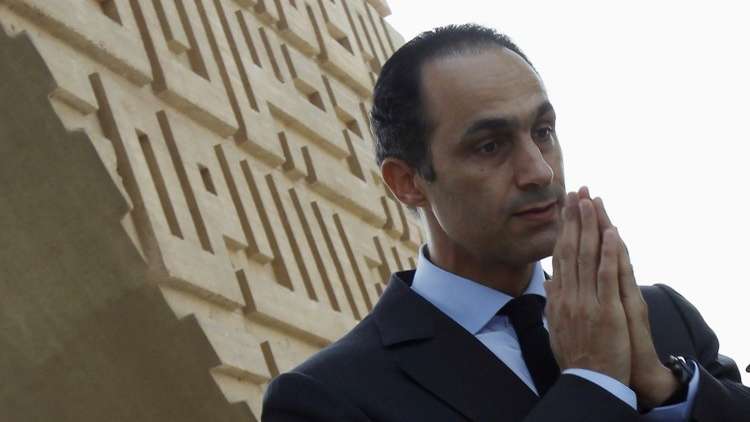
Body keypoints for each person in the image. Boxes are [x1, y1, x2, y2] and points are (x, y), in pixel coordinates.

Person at [261, 24, 750, 421]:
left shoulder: (661, 316)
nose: (539, 171)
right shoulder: (327, 398)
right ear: (407, 181)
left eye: (543, 132)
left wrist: (665, 388)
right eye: (489, 146)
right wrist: (593, 382)